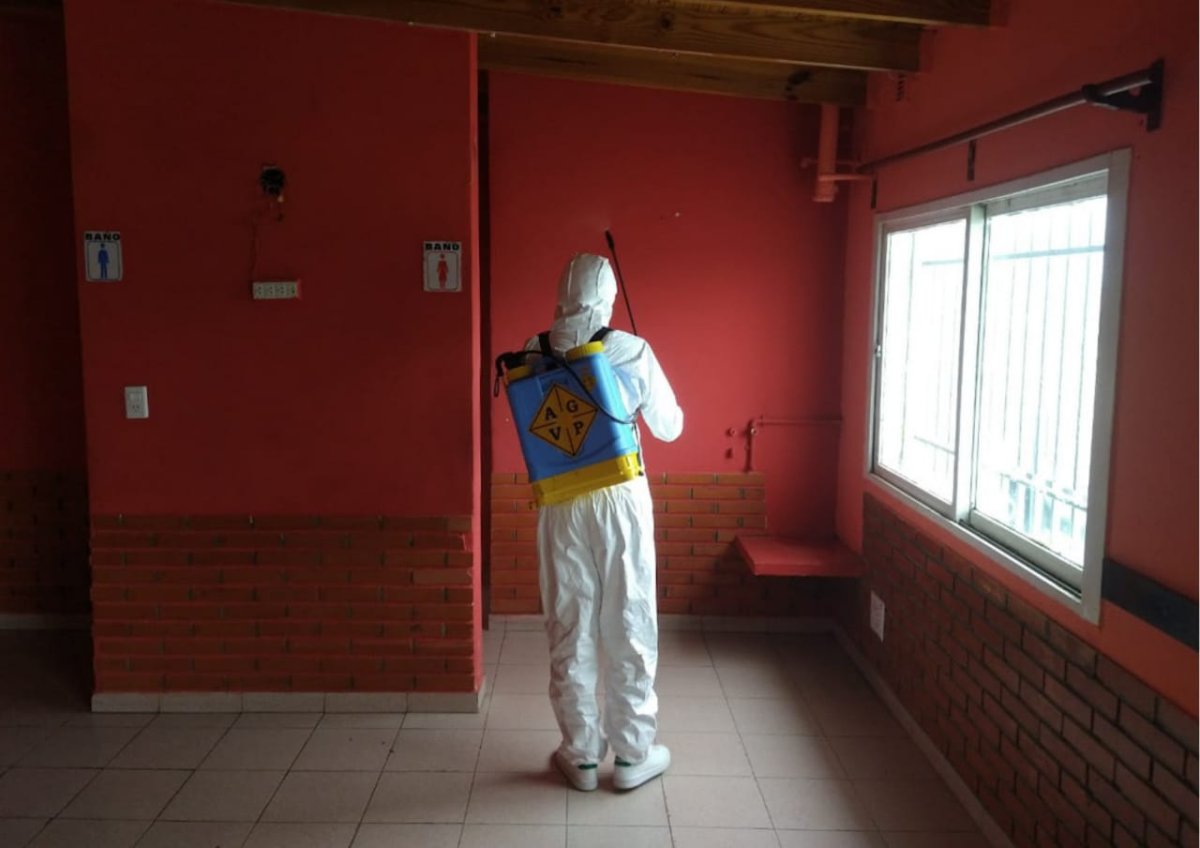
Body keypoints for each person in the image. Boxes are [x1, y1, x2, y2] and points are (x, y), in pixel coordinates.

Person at [526, 253, 683, 792]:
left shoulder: (533, 349)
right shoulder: (630, 349)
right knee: (629, 618)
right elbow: (670, 427)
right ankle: (634, 755)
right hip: (619, 497)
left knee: (569, 622)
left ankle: (580, 756)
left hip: (560, 498)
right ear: (609, 296)